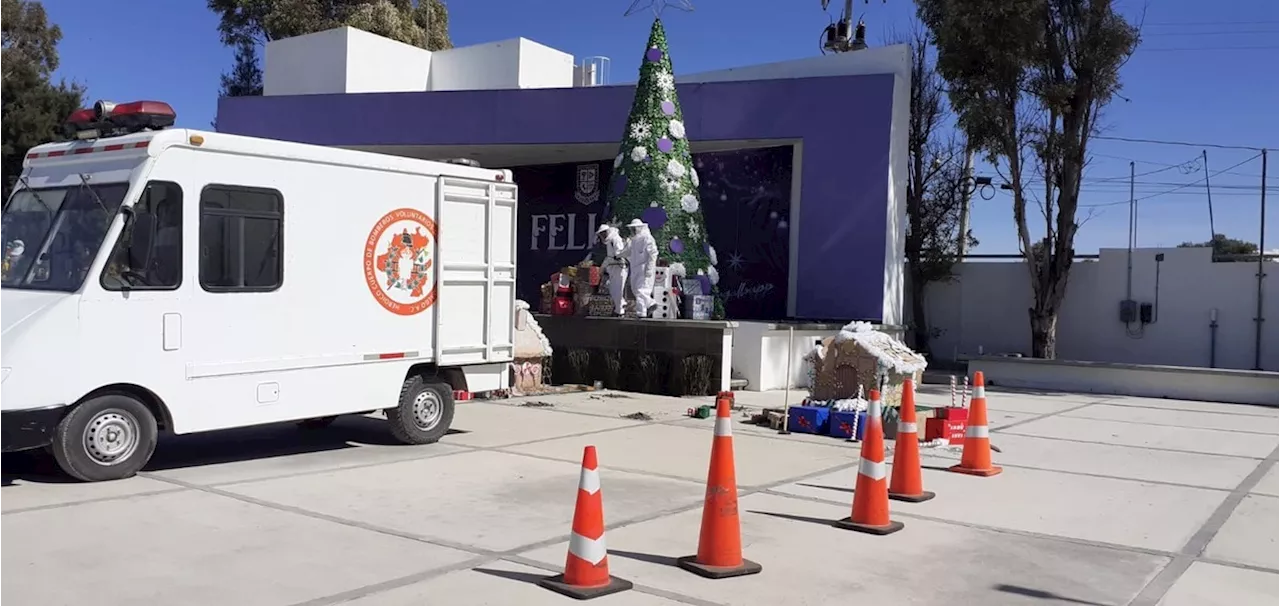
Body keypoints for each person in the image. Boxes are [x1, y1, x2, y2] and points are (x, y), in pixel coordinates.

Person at [625, 218, 658, 318]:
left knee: (641, 290)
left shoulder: (647, 238)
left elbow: (653, 253)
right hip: (636, 268)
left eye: (634, 228)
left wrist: (649, 268)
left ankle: (648, 306)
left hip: (644, 268)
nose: (633, 231)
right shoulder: (634, 240)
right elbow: (630, 254)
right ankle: (643, 311)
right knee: (636, 290)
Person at [596, 224, 629, 316]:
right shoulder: (609, 241)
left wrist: (615, 258)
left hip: (619, 267)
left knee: (617, 289)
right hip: (613, 267)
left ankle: (619, 311)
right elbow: (609, 257)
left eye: (603, 233)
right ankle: (621, 304)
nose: (602, 235)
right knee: (613, 289)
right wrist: (603, 267)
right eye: (601, 234)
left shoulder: (615, 239)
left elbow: (619, 253)